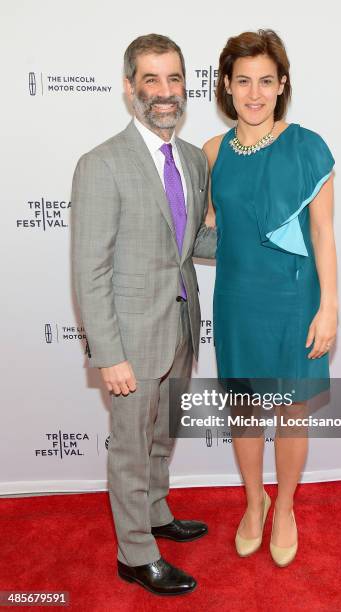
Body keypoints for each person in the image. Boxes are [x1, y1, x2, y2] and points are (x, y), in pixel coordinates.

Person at [71, 33, 216, 596]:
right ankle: (134, 554)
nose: (164, 92)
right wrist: (109, 355)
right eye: (150, 79)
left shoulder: (192, 159)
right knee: (131, 449)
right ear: (129, 86)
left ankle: (156, 516)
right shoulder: (101, 164)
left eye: (174, 78)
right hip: (131, 341)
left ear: (185, 86)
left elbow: (194, 243)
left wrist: (262, 241)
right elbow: (90, 270)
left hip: (181, 326)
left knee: (160, 438)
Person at [203, 29, 338, 567]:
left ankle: (284, 507)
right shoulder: (213, 151)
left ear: (282, 85)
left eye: (265, 81)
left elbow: (324, 234)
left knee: (290, 411)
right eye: (243, 81)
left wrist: (329, 306)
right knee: (243, 409)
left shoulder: (308, 146)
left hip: (294, 298)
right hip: (236, 298)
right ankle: (253, 502)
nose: (254, 93)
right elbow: (211, 229)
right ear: (227, 87)